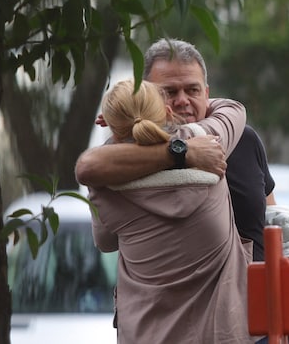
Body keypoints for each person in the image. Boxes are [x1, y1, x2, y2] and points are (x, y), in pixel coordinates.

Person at [75, 38, 275, 262]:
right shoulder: (122, 156)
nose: (182, 101)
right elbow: (106, 239)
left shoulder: (244, 139)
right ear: (147, 96)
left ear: (206, 93)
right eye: (169, 92)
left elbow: (271, 217)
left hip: (255, 290)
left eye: (192, 90)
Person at [89, 78, 253, 343]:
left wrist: (126, 121)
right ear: (167, 111)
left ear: (114, 129)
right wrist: (186, 104)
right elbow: (234, 108)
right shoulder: (205, 145)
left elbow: (105, 242)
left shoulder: (105, 182)